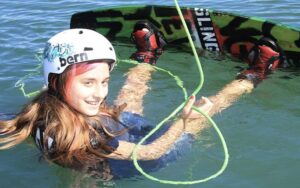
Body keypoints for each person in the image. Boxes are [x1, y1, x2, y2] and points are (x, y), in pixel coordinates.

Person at [0, 27, 213, 180]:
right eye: (88, 82)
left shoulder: (38, 109)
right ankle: (244, 82)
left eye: (104, 81)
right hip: (126, 166)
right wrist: (182, 123)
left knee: (126, 108)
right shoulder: (90, 138)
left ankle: (146, 58)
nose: (100, 93)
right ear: (56, 81)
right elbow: (153, 152)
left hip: (108, 134)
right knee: (198, 117)